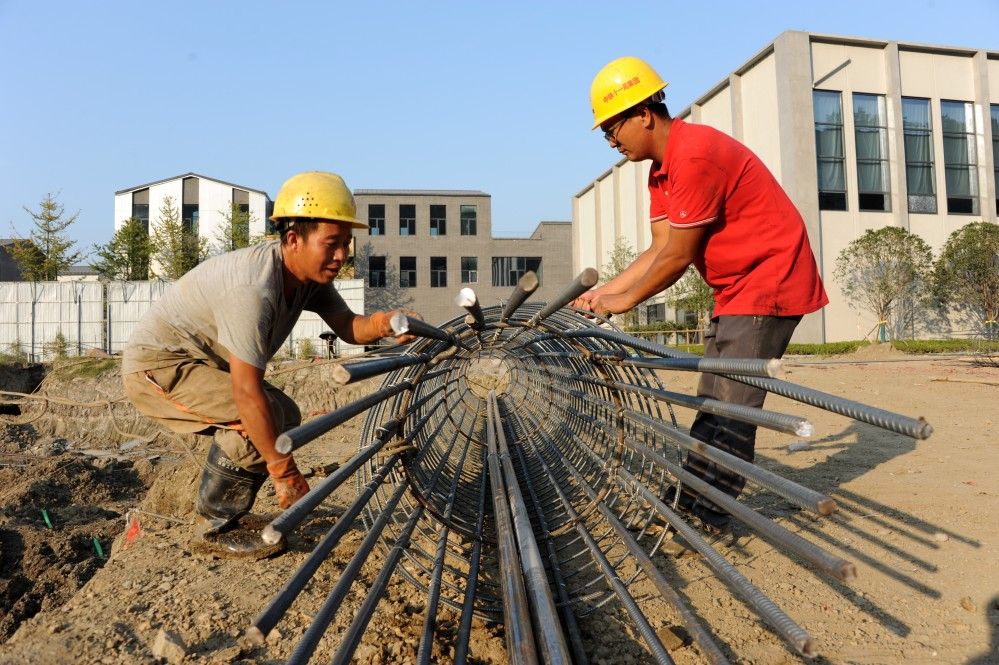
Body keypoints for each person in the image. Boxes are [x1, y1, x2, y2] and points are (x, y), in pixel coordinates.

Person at [575, 57, 828, 534]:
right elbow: (658, 248)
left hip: (769, 279)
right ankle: (690, 502)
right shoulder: (660, 171)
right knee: (712, 400)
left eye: (612, 126)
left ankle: (709, 514)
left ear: (645, 113)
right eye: (603, 131)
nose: (610, 139)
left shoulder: (694, 155)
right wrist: (601, 293)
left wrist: (623, 303)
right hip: (735, 287)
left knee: (732, 404)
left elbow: (677, 257)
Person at [122, 171, 417, 555]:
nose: (342, 255)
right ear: (294, 239)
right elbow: (246, 393)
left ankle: (231, 515)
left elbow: (349, 327)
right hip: (159, 369)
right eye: (331, 244)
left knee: (283, 414)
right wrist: (285, 472)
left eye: (346, 244)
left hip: (200, 366)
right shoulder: (253, 289)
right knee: (259, 416)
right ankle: (216, 525)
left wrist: (383, 324)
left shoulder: (308, 279)